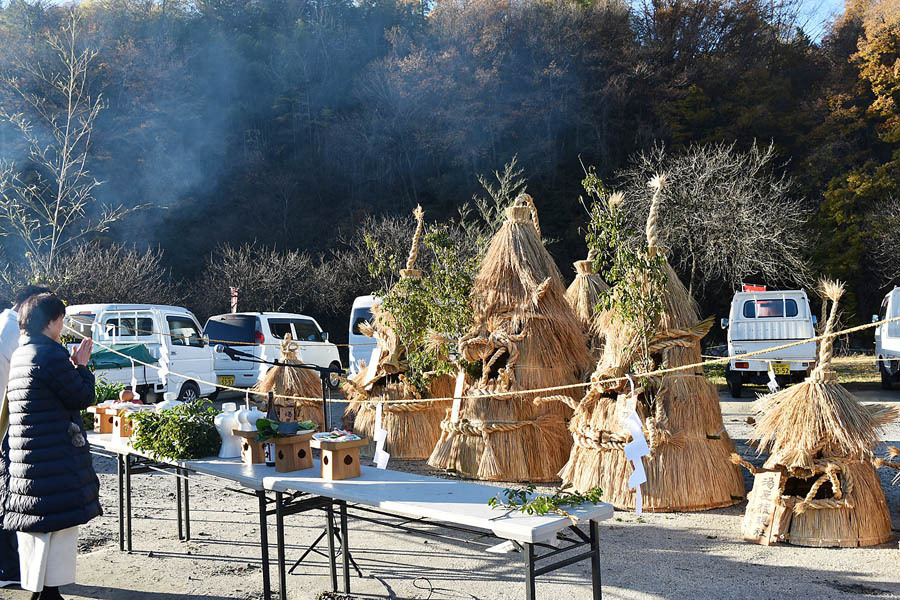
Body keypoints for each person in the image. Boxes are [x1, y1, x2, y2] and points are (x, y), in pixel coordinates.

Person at [3, 293, 98, 600]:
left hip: (27, 458)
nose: (62, 325)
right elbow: (81, 397)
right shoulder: (49, 354)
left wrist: (69, 367)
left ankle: (44, 592)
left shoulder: (22, 352)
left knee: (39, 531)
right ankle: (48, 594)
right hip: (52, 457)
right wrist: (82, 366)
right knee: (58, 530)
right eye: (61, 319)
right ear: (51, 321)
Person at [0, 285, 52, 589]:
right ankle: (8, 569)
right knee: (11, 498)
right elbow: (34, 373)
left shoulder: (4, 323)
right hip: (7, 425)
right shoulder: (13, 333)